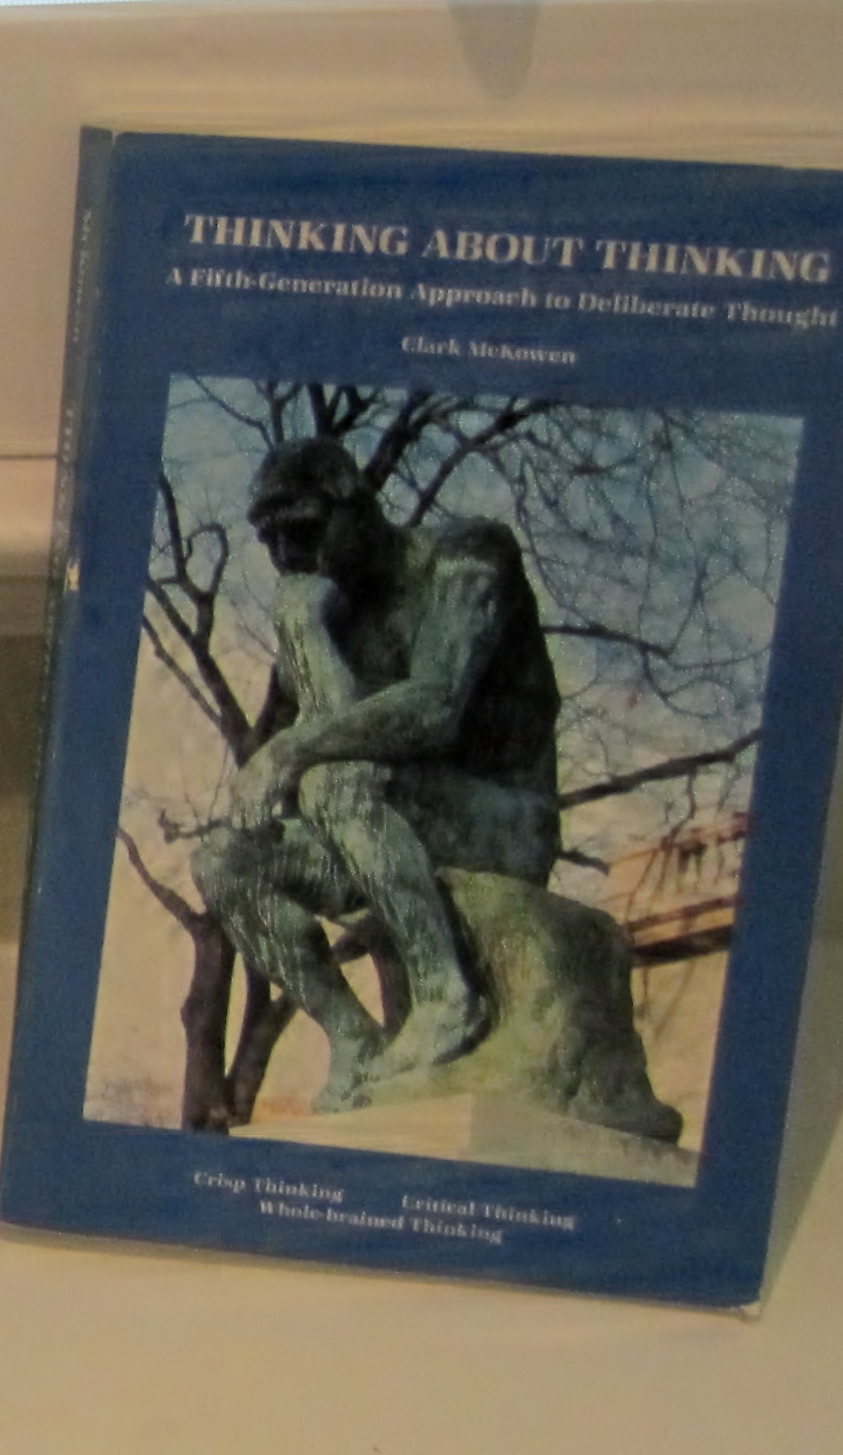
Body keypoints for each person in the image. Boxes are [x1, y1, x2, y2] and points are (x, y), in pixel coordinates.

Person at [191, 437, 565, 1111]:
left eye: (304, 531)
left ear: (356, 500)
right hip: (390, 818)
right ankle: (355, 1039)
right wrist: (303, 629)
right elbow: (337, 732)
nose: (291, 557)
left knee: (331, 782)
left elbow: (436, 707)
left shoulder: (468, 555)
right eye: (273, 545)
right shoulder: (335, 612)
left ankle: (446, 996)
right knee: (224, 860)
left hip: (505, 820)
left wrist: (287, 751)